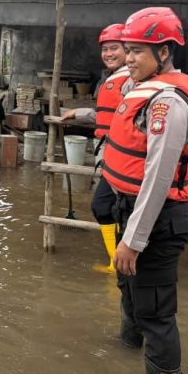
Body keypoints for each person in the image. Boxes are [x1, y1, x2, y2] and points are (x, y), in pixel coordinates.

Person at [102, 7, 188, 374]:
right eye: (126, 50)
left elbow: (159, 178)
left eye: (137, 51)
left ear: (163, 52)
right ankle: (126, 350)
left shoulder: (169, 104)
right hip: (127, 210)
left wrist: (134, 239)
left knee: (156, 312)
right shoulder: (143, 89)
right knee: (130, 291)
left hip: (157, 220)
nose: (128, 59)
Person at [61, 23, 132, 272]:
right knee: (109, 207)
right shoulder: (112, 78)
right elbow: (104, 114)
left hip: (123, 157)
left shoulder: (130, 81)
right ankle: (117, 263)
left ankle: (120, 264)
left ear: (128, 50)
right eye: (105, 49)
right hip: (109, 153)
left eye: (114, 48)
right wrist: (76, 112)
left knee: (108, 207)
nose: (108, 53)